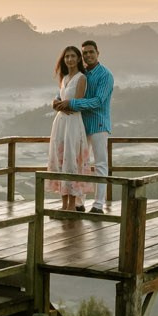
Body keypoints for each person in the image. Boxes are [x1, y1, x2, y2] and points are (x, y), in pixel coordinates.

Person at [52, 38, 114, 213]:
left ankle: (98, 205)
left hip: (98, 123)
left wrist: (72, 104)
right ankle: (78, 203)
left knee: (100, 164)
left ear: (98, 53)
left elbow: (99, 101)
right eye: (85, 53)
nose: (88, 55)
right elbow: (64, 92)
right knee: (78, 161)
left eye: (91, 52)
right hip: (78, 123)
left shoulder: (105, 75)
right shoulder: (81, 73)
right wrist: (56, 101)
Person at [46, 45, 96, 212]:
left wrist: (64, 105)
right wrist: (57, 104)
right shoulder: (64, 78)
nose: (70, 59)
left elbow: (78, 103)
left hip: (73, 122)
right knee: (60, 159)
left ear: (78, 58)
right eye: (67, 56)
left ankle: (72, 205)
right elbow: (59, 99)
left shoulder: (81, 78)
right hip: (60, 123)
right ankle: (63, 204)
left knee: (72, 158)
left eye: (73, 56)